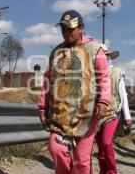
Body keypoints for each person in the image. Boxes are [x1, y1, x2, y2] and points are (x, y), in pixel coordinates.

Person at [38, 10, 111, 174]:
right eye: (63, 29)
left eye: (70, 29)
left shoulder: (94, 49)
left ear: (81, 28)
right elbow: (47, 80)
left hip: (86, 114)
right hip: (59, 113)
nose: (66, 33)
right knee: (57, 150)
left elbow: (105, 78)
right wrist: (43, 106)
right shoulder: (56, 52)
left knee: (81, 162)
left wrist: (103, 101)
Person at [96, 44, 133, 174]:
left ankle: (111, 171)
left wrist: (127, 116)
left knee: (106, 143)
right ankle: (103, 171)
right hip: (97, 114)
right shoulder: (94, 73)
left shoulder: (116, 72)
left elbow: (122, 94)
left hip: (113, 112)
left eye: (104, 56)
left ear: (107, 57)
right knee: (100, 146)